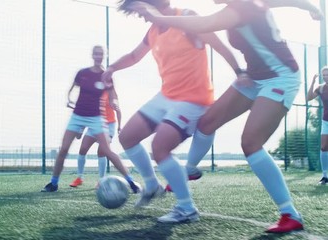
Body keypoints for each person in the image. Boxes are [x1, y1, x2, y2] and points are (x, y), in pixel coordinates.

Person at [129, 0, 322, 233]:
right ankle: (190, 169)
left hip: (281, 78)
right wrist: (306, 6)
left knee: (250, 142)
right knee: (207, 122)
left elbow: (203, 24)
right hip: (253, 77)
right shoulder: (248, 3)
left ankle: (290, 214)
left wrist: (158, 18)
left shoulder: (240, 8)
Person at [103, 0, 244, 224]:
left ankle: (186, 209)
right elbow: (133, 56)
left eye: (140, 11)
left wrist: (239, 71)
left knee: (160, 147)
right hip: (166, 96)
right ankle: (151, 186)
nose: (140, 17)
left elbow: (218, 45)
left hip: (194, 99)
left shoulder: (187, 16)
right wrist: (111, 68)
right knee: (127, 137)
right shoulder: (153, 31)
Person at [42, 45, 140, 193]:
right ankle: (53, 183)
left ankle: (132, 183)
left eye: (101, 54)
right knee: (63, 149)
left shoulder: (106, 76)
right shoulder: (82, 73)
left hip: (96, 118)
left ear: (104, 56)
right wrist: (68, 98)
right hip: (78, 116)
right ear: (92, 55)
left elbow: (113, 95)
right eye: (96, 53)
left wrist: (114, 103)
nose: (98, 56)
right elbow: (73, 87)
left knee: (107, 150)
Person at [69, 85, 122, 187]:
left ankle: (101, 180)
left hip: (109, 126)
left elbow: (118, 110)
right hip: (95, 124)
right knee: (83, 149)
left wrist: (119, 126)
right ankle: (79, 178)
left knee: (101, 152)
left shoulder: (111, 93)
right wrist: (81, 129)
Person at [307, 66, 328, 185]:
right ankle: (325, 176)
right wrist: (313, 82)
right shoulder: (320, 88)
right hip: (326, 121)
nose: (326, 77)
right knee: (324, 147)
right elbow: (308, 98)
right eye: (324, 75)